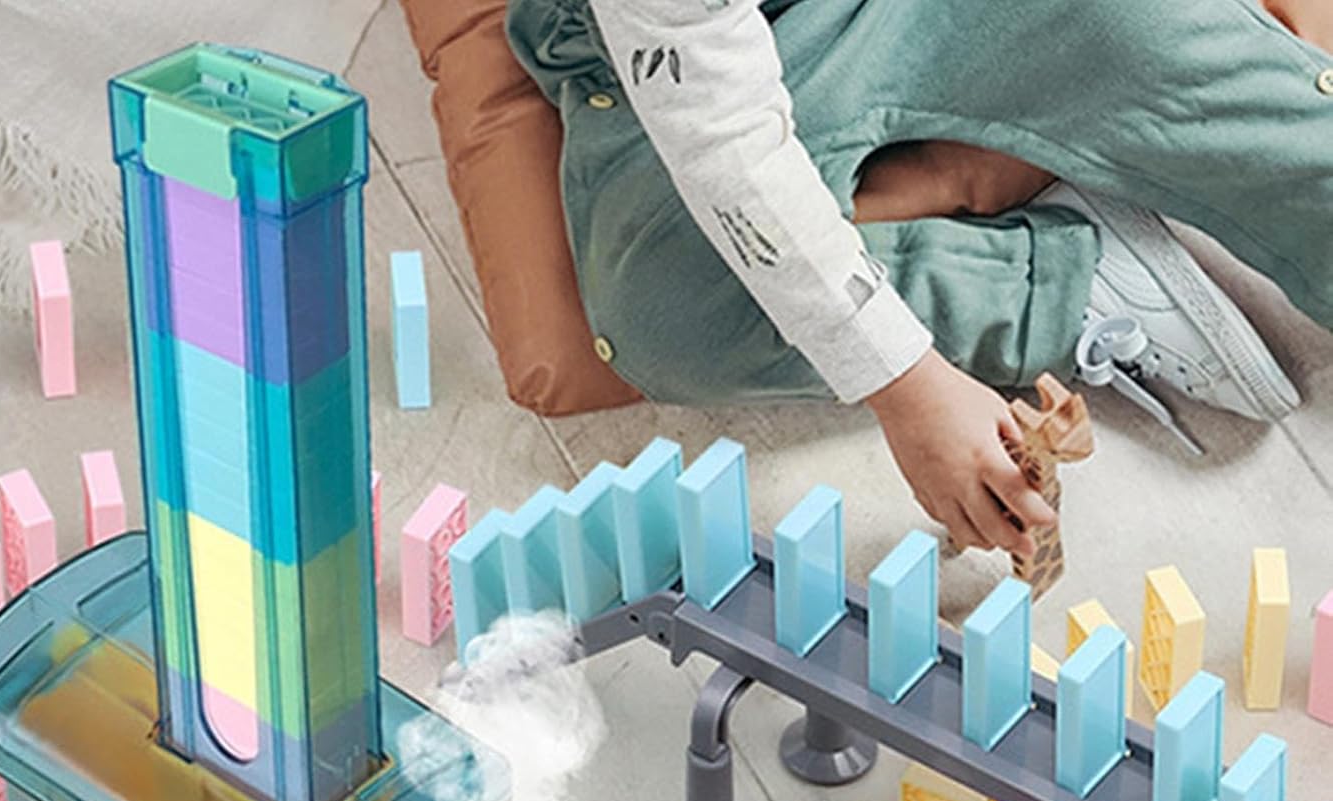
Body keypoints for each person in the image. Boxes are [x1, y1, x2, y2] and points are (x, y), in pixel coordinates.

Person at [506, 0, 1330, 556]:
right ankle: (1051, 279)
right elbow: (723, 138)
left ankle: (995, 171)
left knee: (1166, 43)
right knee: (667, 307)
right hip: (691, 56)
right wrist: (904, 383)